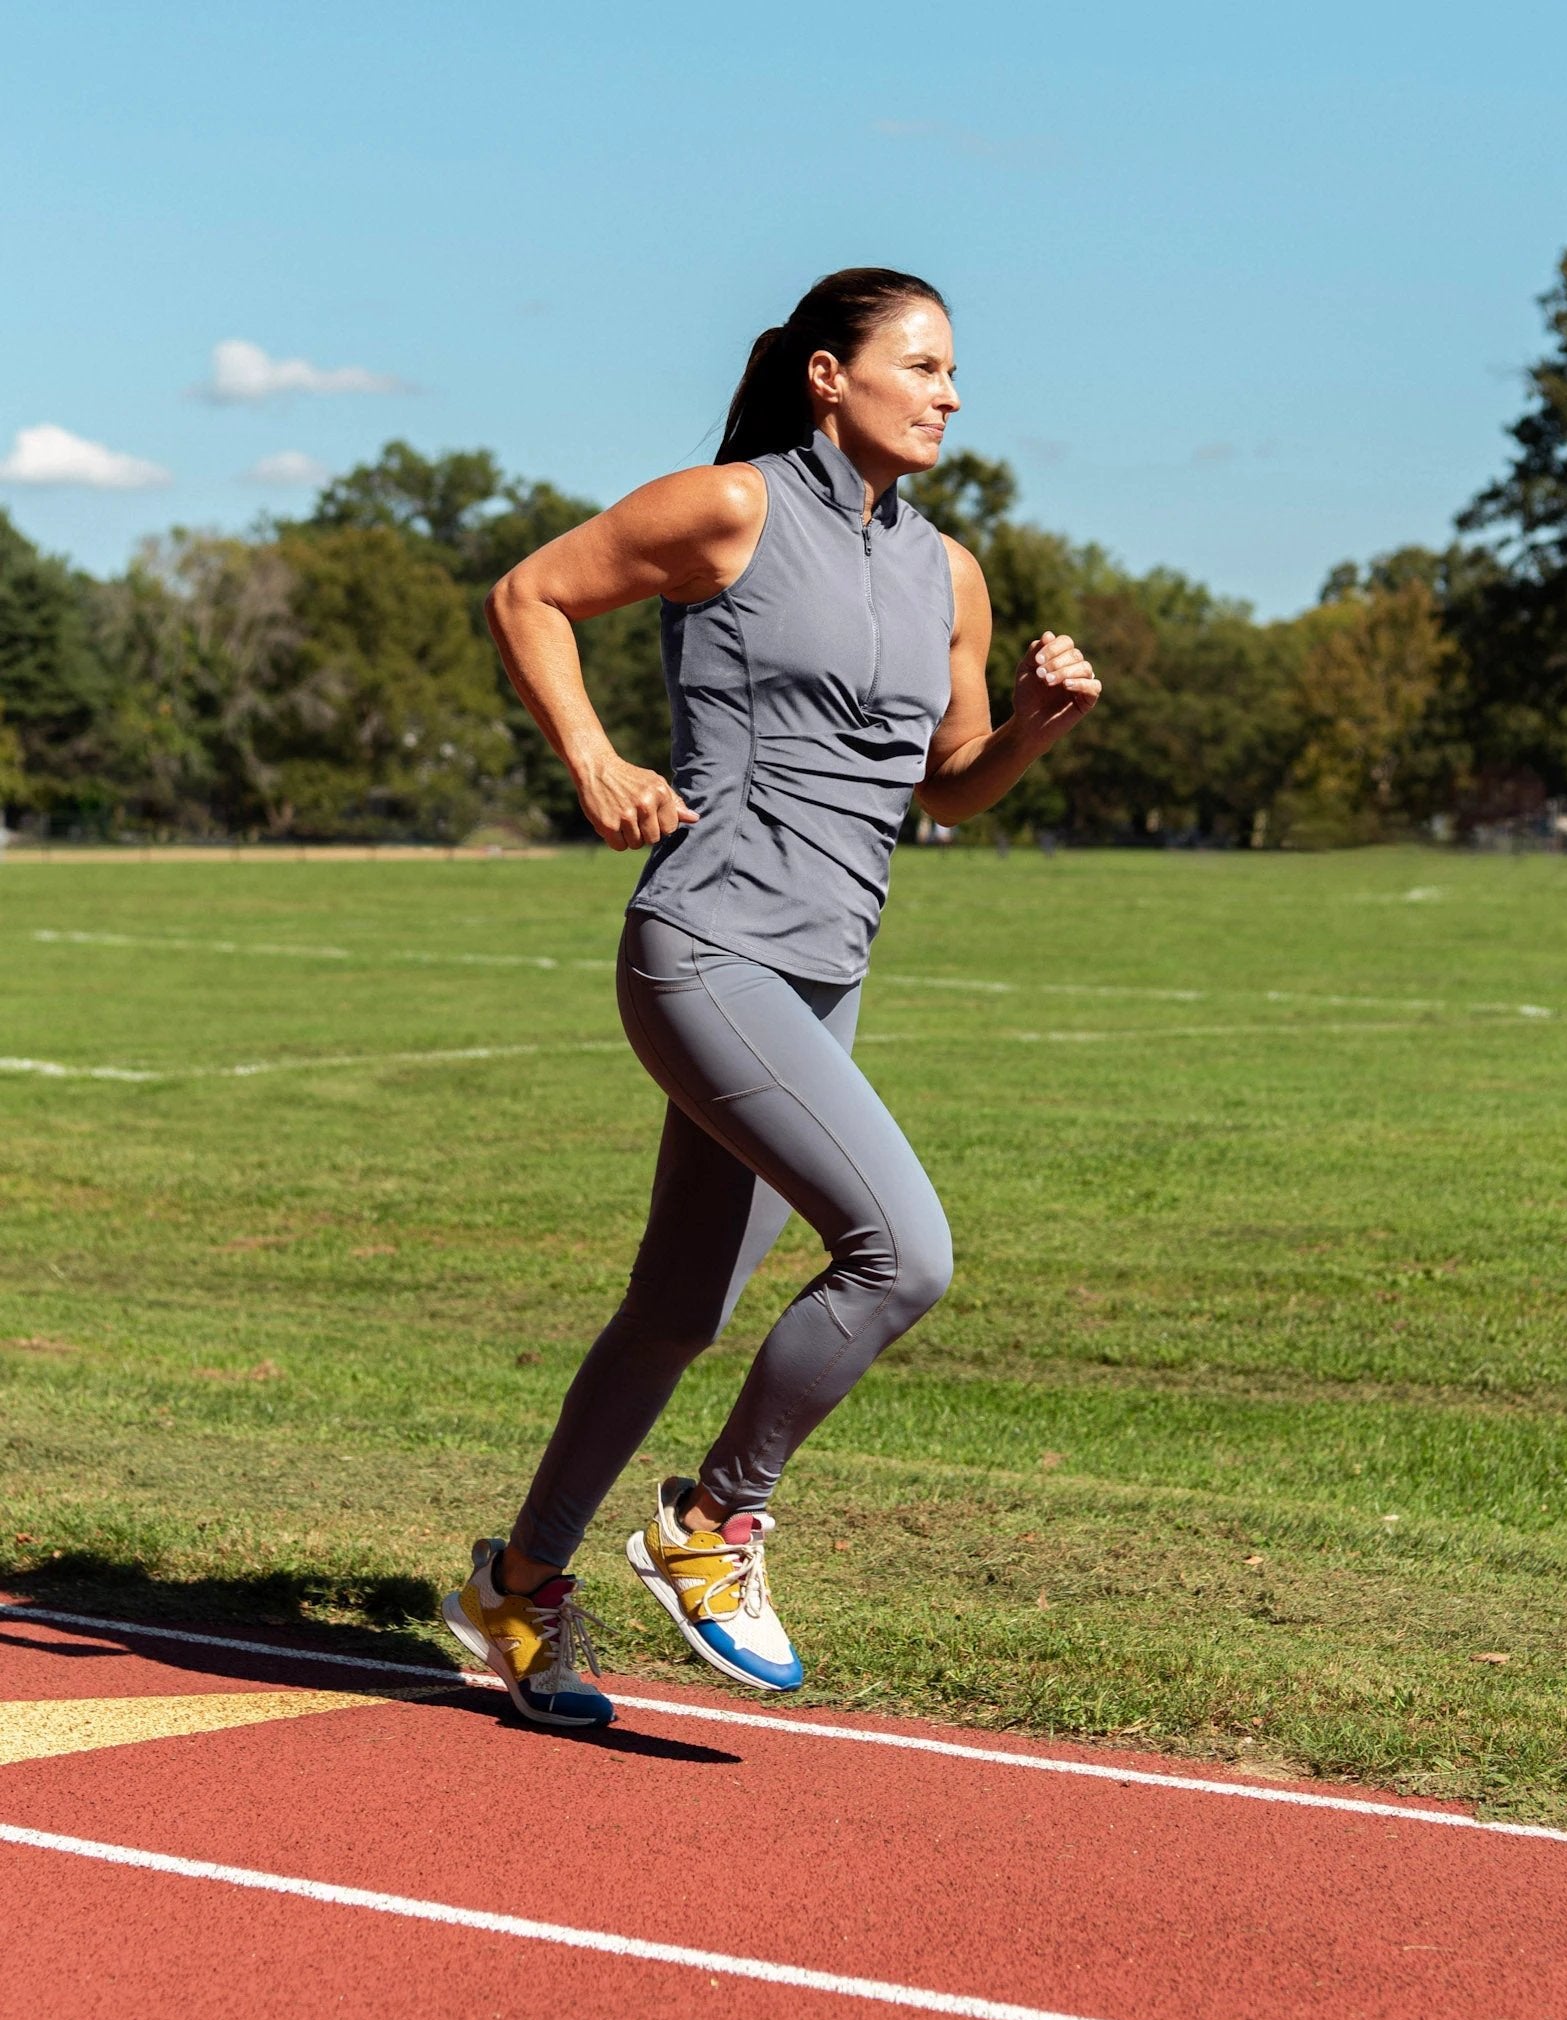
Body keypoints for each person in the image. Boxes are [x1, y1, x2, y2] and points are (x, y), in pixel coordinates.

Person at [442, 267, 1102, 1729]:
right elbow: (529, 593)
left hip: (820, 975)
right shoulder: (729, 507)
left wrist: (1041, 729)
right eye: (919, 366)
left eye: (953, 376)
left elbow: (948, 787)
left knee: (677, 1306)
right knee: (902, 1255)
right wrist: (595, 761)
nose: (945, 395)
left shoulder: (948, 573)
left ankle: (515, 1593)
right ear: (826, 374)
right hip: (707, 946)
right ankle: (712, 1523)